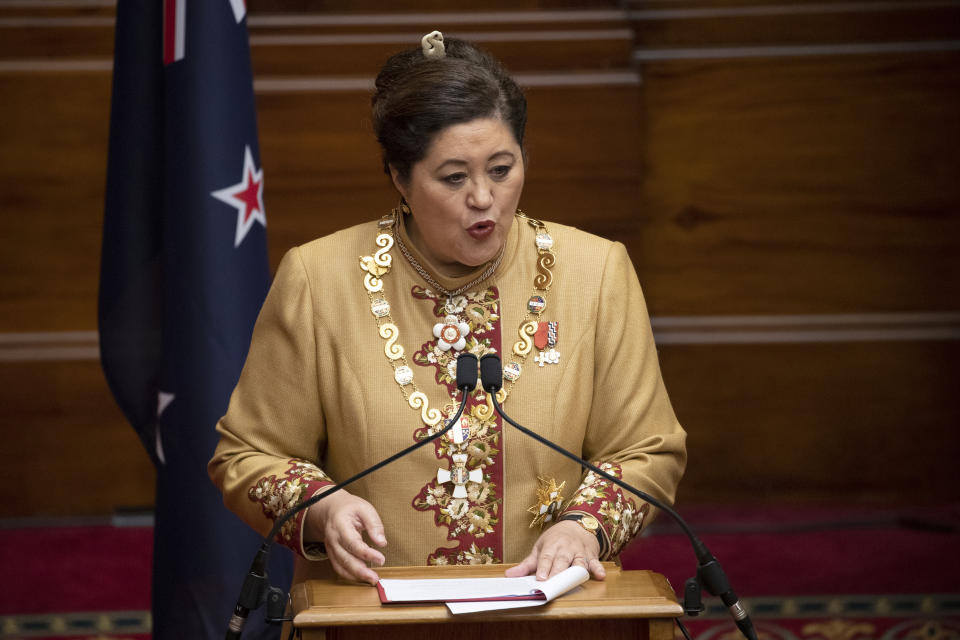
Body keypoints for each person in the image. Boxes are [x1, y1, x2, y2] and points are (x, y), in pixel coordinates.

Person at [209, 31, 686, 589]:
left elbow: (647, 448)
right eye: (454, 178)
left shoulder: (596, 271)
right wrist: (322, 508)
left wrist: (586, 526)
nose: (483, 198)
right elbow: (248, 454)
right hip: (373, 613)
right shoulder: (319, 279)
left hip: (554, 611)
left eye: (502, 169)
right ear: (399, 177)